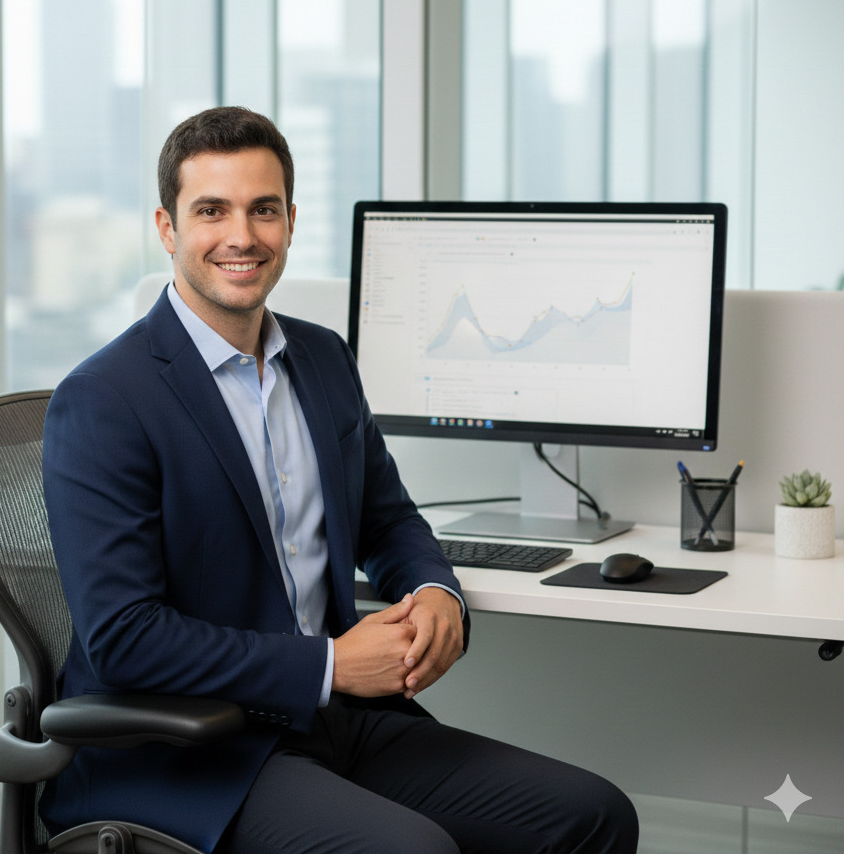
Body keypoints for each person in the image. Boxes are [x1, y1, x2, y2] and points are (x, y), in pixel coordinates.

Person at [40, 106, 638, 854]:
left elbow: (385, 519)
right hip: (187, 751)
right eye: (211, 211)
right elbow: (124, 638)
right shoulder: (104, 398)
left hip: (332, 722)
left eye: (263, 210)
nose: (241, 236)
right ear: (167, 228)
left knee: (594, 815)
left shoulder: (321, 359)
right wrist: (330, 664)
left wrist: (435, 591)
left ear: (291, 221)